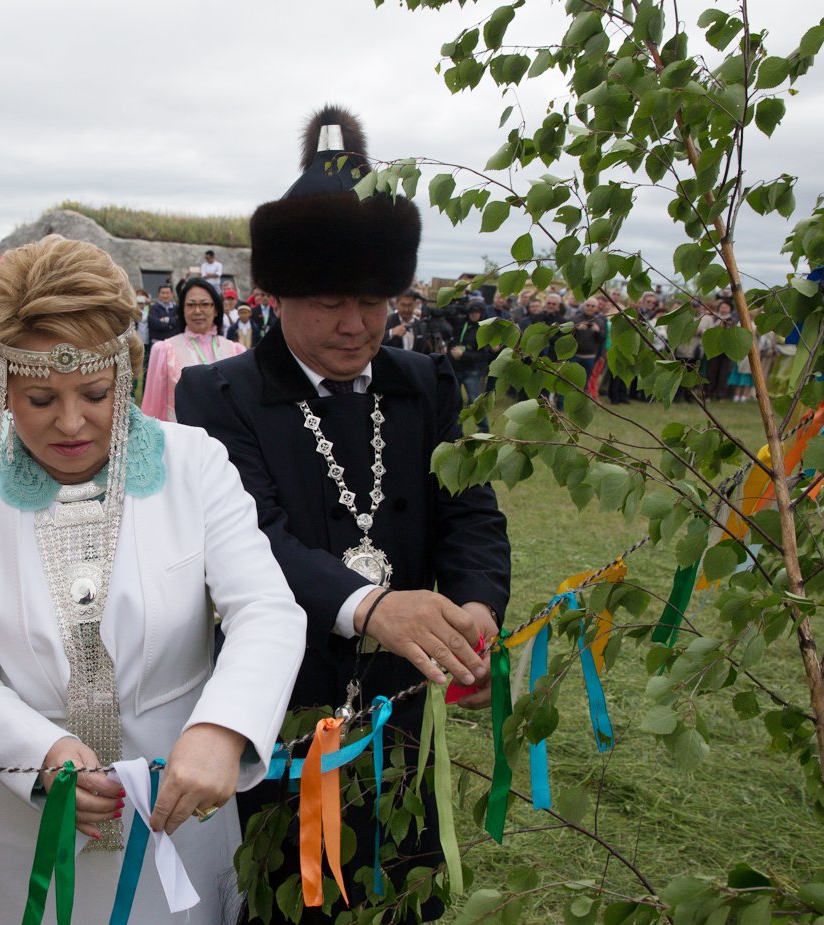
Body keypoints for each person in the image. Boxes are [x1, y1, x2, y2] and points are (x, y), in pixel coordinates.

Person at [176, 104, 510, 923]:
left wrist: (476, 607)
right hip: (283, 694)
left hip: (402, 690)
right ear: (277, 294)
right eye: (330, 302)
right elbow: (254, 538)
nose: (356, 325)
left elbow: (470, 510)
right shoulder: (218, 394)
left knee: (401, 873)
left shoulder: (425, 382)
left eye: (374, 300)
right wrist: (371, 606)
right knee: (290, 891)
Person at [0, 234, 305, 923]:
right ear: (0, 392)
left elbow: (266, 610)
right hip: (32, 819)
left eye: (96, 394)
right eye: (40, 399)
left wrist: (221, 728)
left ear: (126, 376)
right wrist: (37, 752)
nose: (71, 422)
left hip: (178, 806)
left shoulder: (194, 463)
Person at [140, 276, 246, 422]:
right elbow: (152, 412)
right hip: (180, 434)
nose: (197, 311)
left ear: (216, 309)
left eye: (204, 304)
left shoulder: (236, 351)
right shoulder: (164, 350)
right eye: (190, 305)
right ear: (182, 310)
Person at [449, 300, 492, 431]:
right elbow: (449, 314)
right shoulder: (461, 324)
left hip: (473, 371)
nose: (473, 314)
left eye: (476, 312)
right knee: (454, 401)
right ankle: (454, 429)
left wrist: (464, 355)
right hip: (456, 368)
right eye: (471, 312)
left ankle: (484, 430)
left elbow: (483, 355)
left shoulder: (483, 330)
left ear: (481, 313)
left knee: (475, 402)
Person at [145, 281, 182, 346]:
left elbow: (179, 322)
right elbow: (155, 325)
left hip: (174, 343)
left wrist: (167, 320)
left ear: (172, 294)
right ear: (159, 294)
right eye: (163, 293)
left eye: (167, 293)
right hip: (157, 343)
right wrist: (172, 325)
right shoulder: (153, 308)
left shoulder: (176, 308)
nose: (165, 295)